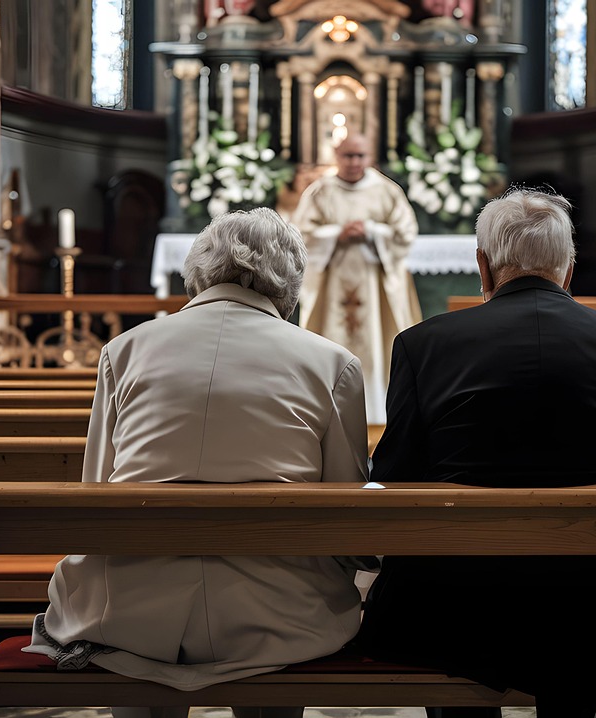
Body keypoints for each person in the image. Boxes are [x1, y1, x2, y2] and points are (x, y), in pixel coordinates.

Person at [25, 207, 372, 718]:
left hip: (130, 608)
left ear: (199, 269)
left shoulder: (124, 350)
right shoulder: (331, 363)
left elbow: (96, 489)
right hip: (282, 611)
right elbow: (347, 519)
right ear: (290, 280)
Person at [352, 188, 596, 718]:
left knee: (441, 634)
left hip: (448, 604)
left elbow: (395, 480)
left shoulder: (422, 344)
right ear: (568, 269)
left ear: (483, 265)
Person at [292, 132, 422, 424]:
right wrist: (337, 233)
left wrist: (373, 232)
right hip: (333, 281)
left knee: (379, 345)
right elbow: (299, 234)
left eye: (360, 156)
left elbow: (405, 233)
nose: (354, 162)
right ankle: (327, 411)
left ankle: (379, 412)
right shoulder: (320, 191)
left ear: (369, 157)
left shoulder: (387, 190)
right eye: (348, 155)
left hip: (375, 284)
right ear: (336, 155)